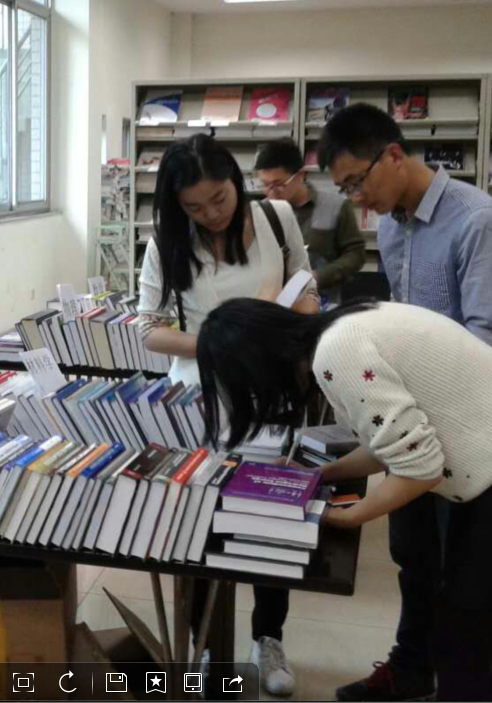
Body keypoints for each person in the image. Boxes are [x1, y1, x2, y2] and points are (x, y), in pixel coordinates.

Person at [196, 298, 492, 702]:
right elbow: (393, 443)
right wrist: (320, 475)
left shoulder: (336, 355)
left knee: (463, 647)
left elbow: (419, 469)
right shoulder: (349, 321)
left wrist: (347, 516)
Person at [319, 103, 492, 701]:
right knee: (414, 558)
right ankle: (410, 669)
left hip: (467, 428)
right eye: (345, 190)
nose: (359, 201)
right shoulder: (390, 226)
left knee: (463, 573)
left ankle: (454, 682)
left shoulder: (479, 223)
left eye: (358, 183)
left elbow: (487, 344)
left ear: (393, 155)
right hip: (411, 420)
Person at [137, 133, 316, 696]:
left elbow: (306, 284)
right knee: (197, 523)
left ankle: (268, 637)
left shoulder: (276, 218)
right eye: (194, 208)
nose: (212, 215)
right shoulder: (166, 242)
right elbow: (150, 330)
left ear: (236, 184)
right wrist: (219, 346)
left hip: (271, 394)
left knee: (270, 517)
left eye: (219, 199)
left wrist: (297, 319)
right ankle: (204, 645)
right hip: (199, 401)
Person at [255, 138, 365, 304]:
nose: (271, 193)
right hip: (273, 305)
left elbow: (355, 254)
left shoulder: (335, 206)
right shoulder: (260, 212)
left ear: (301, 175)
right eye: (265, 185)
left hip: (323, 303)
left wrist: (319, 277)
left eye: (278, 184)